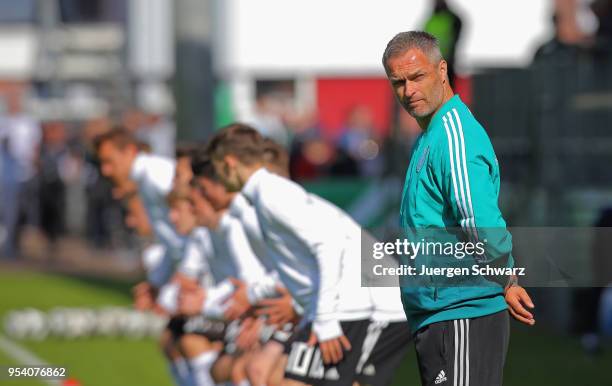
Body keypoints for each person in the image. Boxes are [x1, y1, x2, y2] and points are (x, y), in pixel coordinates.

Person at [382, 31, 535, 385]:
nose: (408, 91)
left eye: (417, 77)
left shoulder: (454, 133)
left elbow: (477, 218)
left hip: (462, 309)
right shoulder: (429, 135)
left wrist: (507, 277)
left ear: (442, 69)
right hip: (437, 313)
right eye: (398, 83)